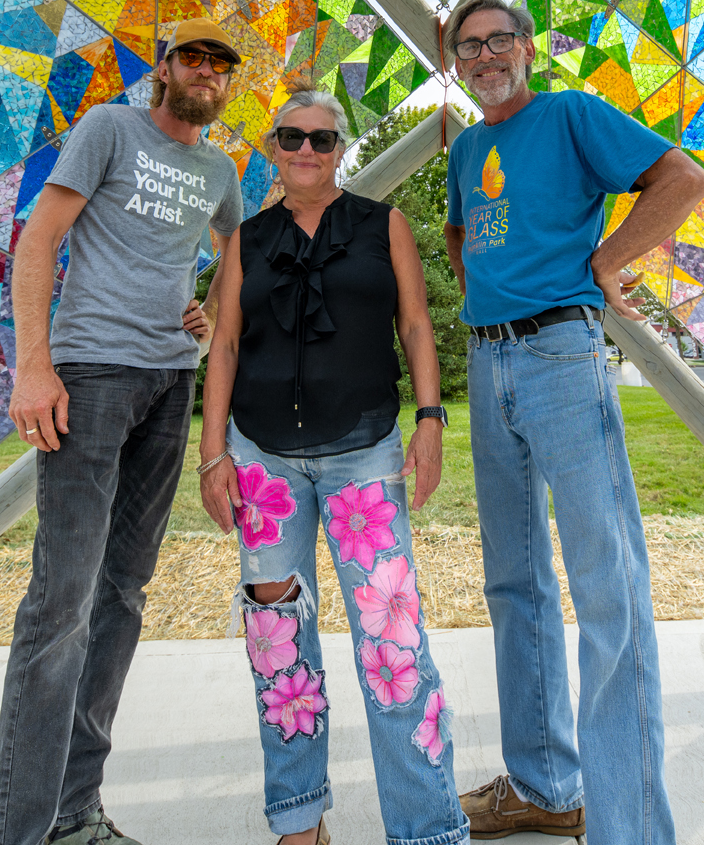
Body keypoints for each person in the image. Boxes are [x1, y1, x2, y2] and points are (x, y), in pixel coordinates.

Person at [440, 0, 704, 845]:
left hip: (561, 352)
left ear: (525, 47)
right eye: (467, 47)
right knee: (512, 582)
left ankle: (630, 828)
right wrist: (485, 288)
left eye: (496, 40)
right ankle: (544, 786)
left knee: (607, 587)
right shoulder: (467, 146)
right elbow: (458, 235)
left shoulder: (567, 114)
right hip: (490, 363)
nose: (483, 56)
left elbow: (683, 177)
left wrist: (605, 258)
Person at [0, 18, 246, 845]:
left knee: (122, 596)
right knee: (59, 602)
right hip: (89, 379)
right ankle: (18, 832)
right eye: (193, 57)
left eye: (221, 64)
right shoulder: (109, 127)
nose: (206, 71)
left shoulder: (219, 168)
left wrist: (206, 308)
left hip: (169, 384)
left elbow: (232, 251)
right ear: (164, 69)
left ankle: (74, 812)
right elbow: (39, 241)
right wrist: (35, 364)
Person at [199, 91, 469, 845]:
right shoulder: (246, 239)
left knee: (392, 646)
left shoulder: (383, 224)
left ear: (341, 146)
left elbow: (414, 323)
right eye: (292, 136)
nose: (306, 149)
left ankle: (426, 826)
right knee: (276, 647)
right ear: (274, 145)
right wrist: (210, 451)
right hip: (261, 463)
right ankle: (297, 819)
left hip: (364, 455)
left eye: (322, 137)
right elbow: (222, 344)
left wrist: (430, 420)